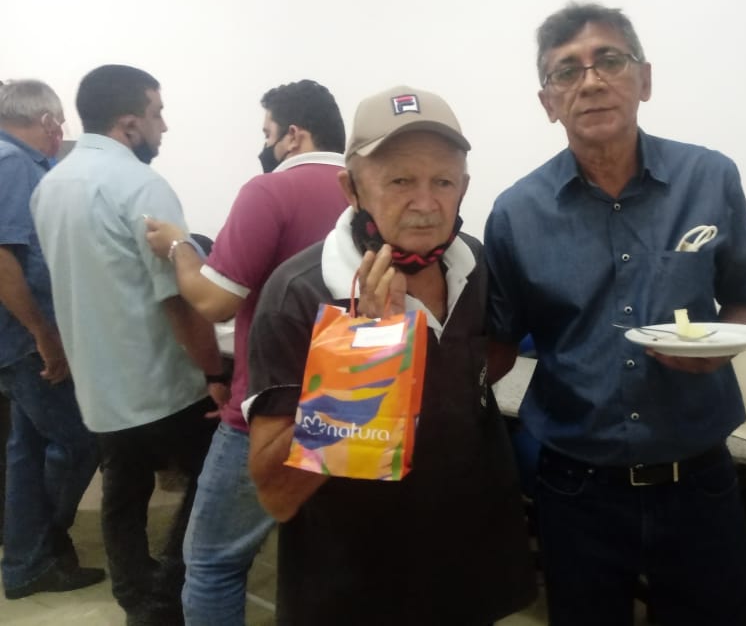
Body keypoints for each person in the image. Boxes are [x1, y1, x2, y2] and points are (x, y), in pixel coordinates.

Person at [483, 3, 746, 626]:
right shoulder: (515, 213)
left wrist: (726, 344)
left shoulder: (710, 178)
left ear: (644, 79)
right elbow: (496, 346)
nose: (590, 81)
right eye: (566, 71)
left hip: (699, 478)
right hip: (575, 489)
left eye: (609, 60)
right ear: (548, 102)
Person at [246, 85, 536, 625]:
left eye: (442, 181)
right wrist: (366, 364)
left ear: (463, 187)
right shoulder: (299, 293)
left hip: (471, 564)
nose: (425, 204)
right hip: (356, 584)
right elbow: (276, 496)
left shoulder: (474, 263)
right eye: (400, 181)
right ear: (352, 188)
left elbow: (482, 366)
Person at [143, 79, 348, 625]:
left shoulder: (269, 191)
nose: (265, 144)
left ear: (293, 135)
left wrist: (179, 247)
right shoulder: (367, 190)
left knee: (211, 561)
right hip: (350, 408)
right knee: (331, 558)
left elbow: (213, 302)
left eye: (267, 132)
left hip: (269, 411)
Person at [31, 64, 228, 625]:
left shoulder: (49, 187)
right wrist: (214, 372)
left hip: (99, 382)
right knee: (212, 484)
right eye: (156, 113)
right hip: (161, 381)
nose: (163, 126)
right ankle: (174, 591)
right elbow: (178, 299)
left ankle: (139, 601)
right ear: (128, 123)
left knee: (123, 493)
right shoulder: (142, 186)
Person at [0, 79, 104, 599]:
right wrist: (43, 334)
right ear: (47, 122)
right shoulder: (13, 163)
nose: (60, 133)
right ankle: (42, 545)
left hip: (18, 340)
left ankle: (25, 562)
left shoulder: (17, 162)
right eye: (59, 123)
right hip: (27, 340)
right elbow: (4, 258)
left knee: (27, 450)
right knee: (81, 440)